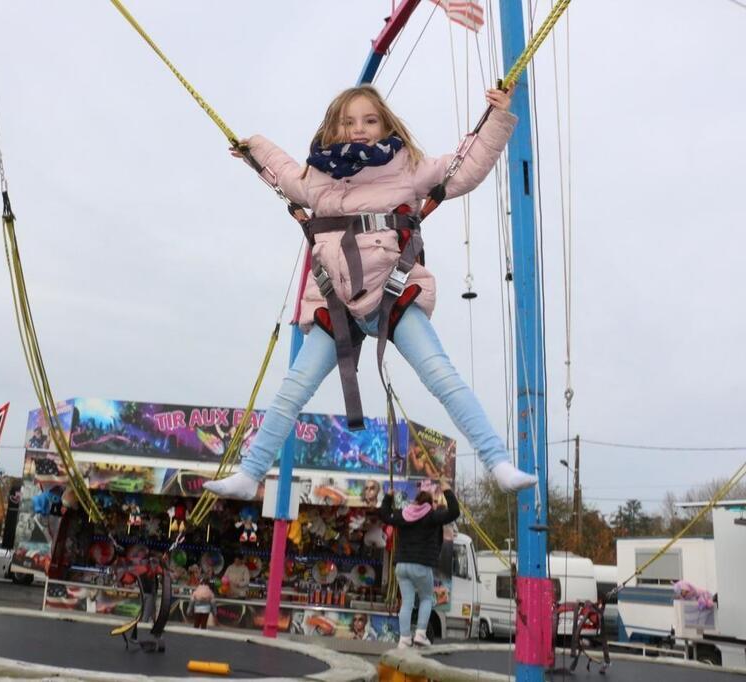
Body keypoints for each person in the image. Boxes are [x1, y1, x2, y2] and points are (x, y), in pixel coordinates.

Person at [203, 85, 536, 501]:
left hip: (392, 292)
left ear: (385, 126)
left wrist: (498, 119)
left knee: (440, 374)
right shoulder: (317, 178)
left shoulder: (405, 167)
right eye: (349, 122)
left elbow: (462, 167)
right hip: (334, 301)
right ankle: (250, 473)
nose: (359, 129)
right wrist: (253, 147)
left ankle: (498, 462)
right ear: (333, 128)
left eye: (369, 120)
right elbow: (283, 173)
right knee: (294, 387)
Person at [379, 482, 459, 647]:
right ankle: (421, 634)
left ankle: (404, 638)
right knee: (426, 598)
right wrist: (447, 490)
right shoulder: (431, 515)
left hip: (401, 566)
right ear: (429, 504)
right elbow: (454, 512)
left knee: (407, 602)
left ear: (416, 501)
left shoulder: (404, 514)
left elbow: (384, 515)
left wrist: (388, 497)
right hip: (421, 566)